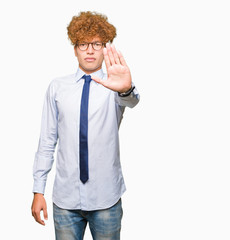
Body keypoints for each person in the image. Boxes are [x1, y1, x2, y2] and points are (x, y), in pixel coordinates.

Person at [31, 11, 140, 240]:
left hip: (106, 198)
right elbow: (47, 141)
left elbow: (131, 101)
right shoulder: (57, 88)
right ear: (75, 48)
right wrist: (38, 189)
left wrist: (125, 88)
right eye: (83, 44)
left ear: (105, 47)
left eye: (96, 43)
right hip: (66, 201)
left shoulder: (114, 86)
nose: (90, 50)